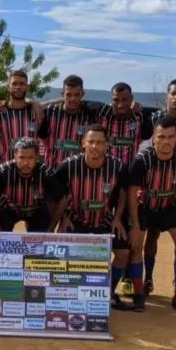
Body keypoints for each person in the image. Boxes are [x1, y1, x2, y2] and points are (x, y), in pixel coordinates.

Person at [50, 126, 131, 309]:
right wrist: (63, 217)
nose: (95, 146)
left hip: (104, 217)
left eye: (100, 142)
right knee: (63, 253)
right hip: (75, 217)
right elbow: (56, 196)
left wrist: (117, 218)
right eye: (91, 142)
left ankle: (108, 293)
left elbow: (124, 194)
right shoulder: (68, 166)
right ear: (83, 144)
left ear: (107, 145)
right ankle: (67, 292)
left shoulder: (118, 167)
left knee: (123, 252)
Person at [126, 116, 176, 312]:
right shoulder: (143, 159)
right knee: (137, 243)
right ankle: (138, 293)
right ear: (153, 138)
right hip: (145, 205)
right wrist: (135, 225)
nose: (166, 141)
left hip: (170, 206)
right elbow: (132, 192)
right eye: (161, 136)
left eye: (171, 137)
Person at [38, 75, 104, 168]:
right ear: (62, 94)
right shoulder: (50, 112)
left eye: (77, 95)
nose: (73, 98)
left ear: (82, 94)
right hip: (53, 169)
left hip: (78, 171)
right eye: (69, 94)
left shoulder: (90, 116)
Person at [0, 138, 53, 232]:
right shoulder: (3, 171)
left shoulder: (46, 172)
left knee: (39, 240)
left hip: (36, 210)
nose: (26, 162)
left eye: (30, 158)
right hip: (10, 209)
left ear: (37, 157)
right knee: (2, 235)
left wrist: (51, 228)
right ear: (15, 156)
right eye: (22, 157)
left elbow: (54, 200)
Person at [0, 70, 45, 165]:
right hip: (8, 168)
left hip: (32, 168)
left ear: (27, 87)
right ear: (8, 87)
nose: (18, 87)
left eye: (22, 84)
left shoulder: (36, 111)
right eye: (14, 84)